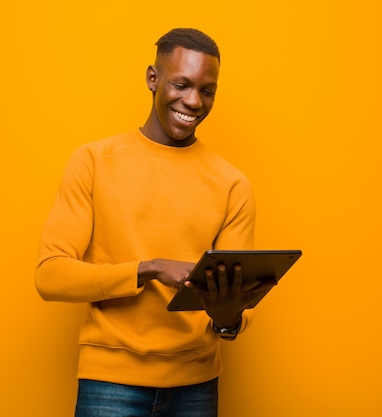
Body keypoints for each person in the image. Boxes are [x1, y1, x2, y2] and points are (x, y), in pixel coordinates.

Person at [35, 28, 276, 417]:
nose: (193, 101)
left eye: (207, 90)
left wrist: (229, 315)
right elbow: (50, 275)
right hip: (109, 385)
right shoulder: (93, 162)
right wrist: (149, 269)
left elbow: (234, 315)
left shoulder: (233, 184)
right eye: (181, 84)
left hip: (196, 387)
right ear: (152, 78)